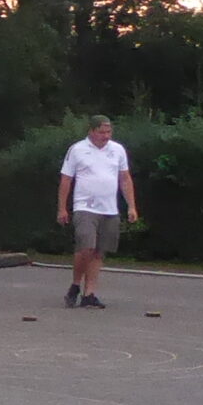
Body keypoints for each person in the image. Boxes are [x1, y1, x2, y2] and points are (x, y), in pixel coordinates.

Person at [56, 115, 139, 309]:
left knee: (99, 251)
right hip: (85, 206)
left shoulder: (117, 150)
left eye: (109, 132)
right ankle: (76, 284)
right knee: (86, 247)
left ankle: (89, 293)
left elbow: (125, 179)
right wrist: (62, 208)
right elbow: (66, 180)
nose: (106, 136)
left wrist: (132, 206)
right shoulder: (77, 149)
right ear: (91, 131)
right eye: (101, 132)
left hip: (109, 208)